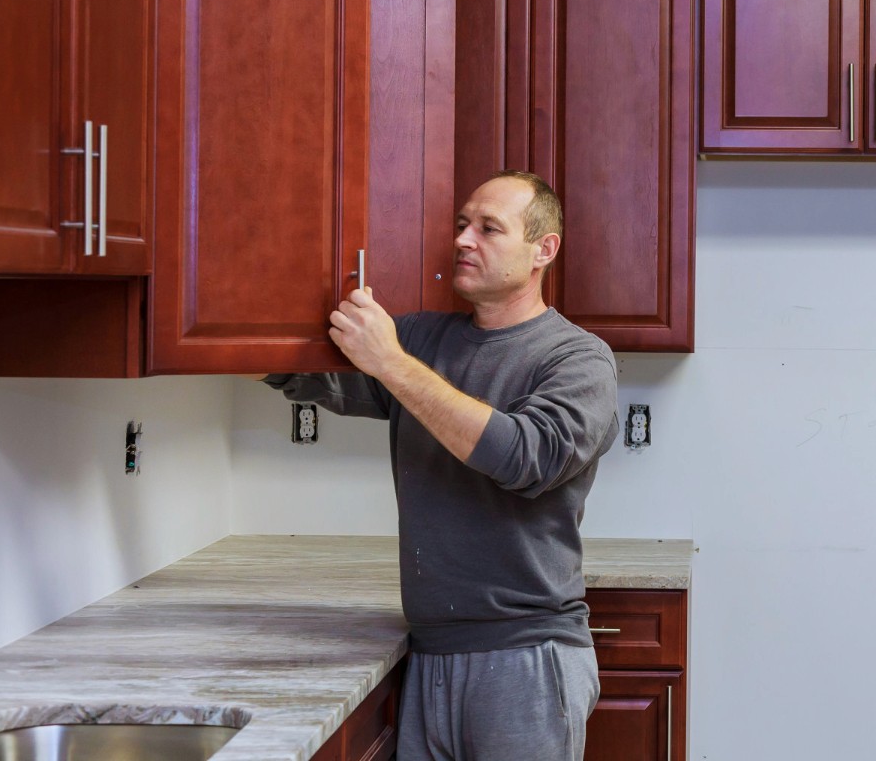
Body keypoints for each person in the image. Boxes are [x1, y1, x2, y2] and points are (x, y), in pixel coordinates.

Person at [262, 170, 618, 761]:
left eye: (488, 228)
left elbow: (527, 456)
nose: (462, 240)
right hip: (427, 655)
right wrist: (216, 327)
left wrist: (393, 365)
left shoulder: (578, 358)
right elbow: (310, 373)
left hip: (527, 658)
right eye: (461, 225)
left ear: (543, 249)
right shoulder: (424, 340)